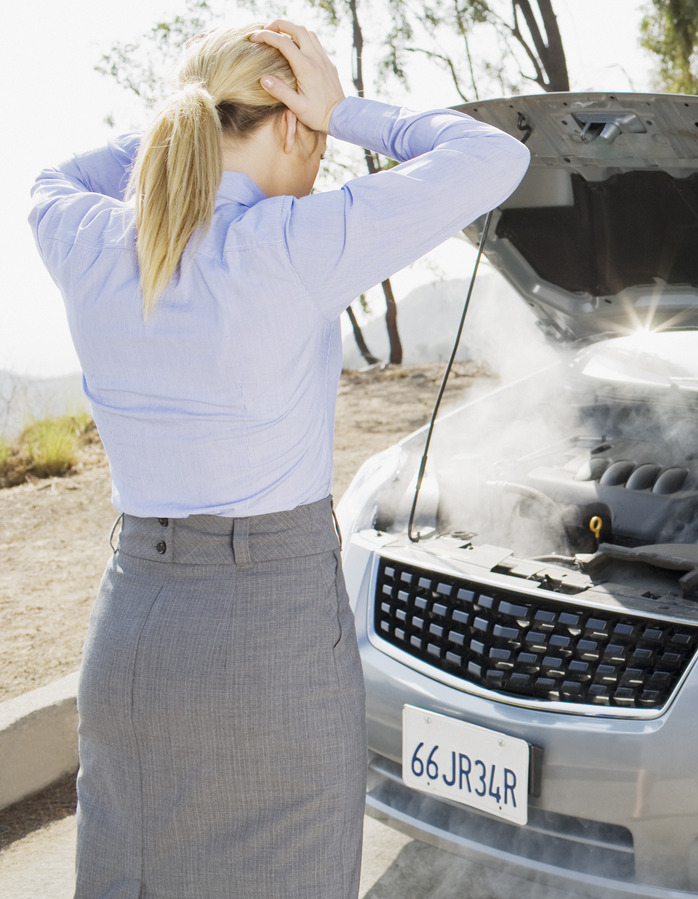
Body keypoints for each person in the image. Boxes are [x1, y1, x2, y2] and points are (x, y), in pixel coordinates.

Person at [28, 19, 529, 898]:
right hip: (271, 628)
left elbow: (50, 180)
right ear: (293, 123)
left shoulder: (91, 241)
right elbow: (491, 158)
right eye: (320, 138)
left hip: (134, 625)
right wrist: (350, 107)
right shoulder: (289, 244)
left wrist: (183, 118)